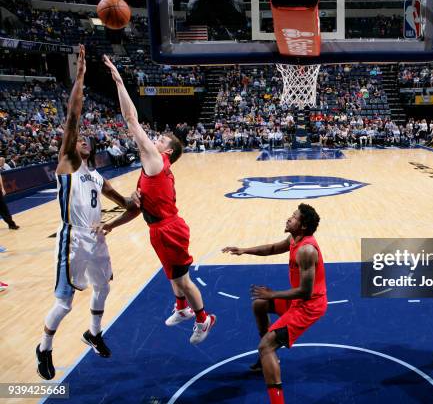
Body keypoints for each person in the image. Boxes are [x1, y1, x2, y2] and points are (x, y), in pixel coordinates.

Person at [99, 55, 216, 344]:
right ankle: (182, 309)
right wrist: (112, 225)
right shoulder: (148, 170)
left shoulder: (156, 160)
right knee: (174, 277)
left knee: (183, 280)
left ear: (167, 151)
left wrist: (118, 80)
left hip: (170, 230)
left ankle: (204, 319)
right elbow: (137, 209)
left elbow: (130, 119)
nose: (157, 138)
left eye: (162, 139)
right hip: (158, 228)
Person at [36, 46, 134, 380]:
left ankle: (94, 333)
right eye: (78, 140)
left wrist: (137, 203)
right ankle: (44, 349)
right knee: (64, 303)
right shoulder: (67, 164)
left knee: (103, 288)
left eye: (85, 141)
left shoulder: (97, 176)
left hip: (96, 239)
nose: (83, 141)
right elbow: (73, 117)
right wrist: (79, 77)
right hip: (73, 241)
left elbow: (123, 201)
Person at [222, 204, 327, 404]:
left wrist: (273, 294)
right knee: (259, 304)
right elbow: (272, 248)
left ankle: (276, 396)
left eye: (294, 217)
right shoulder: (293, 239)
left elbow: (306, 292)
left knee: (266, 346)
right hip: (298, 301)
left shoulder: (306, 250)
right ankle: (266, 359)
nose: (289, 218)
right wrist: (244, 250)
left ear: (303, 226)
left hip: (309, 307)